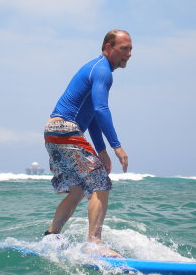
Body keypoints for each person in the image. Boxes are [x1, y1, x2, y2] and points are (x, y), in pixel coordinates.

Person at [43, 29, 132, 257]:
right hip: (67, 130)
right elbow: (102, 109)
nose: (129, 54)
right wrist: (116, 146)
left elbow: (91, 114)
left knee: (78, 190)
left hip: (53, 132)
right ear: (108, 47)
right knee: (100, 183)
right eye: (124, 48)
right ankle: (94, 243)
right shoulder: (103, 70)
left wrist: (101, 150)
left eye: (130, 49)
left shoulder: (96, 68)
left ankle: (51, 236)